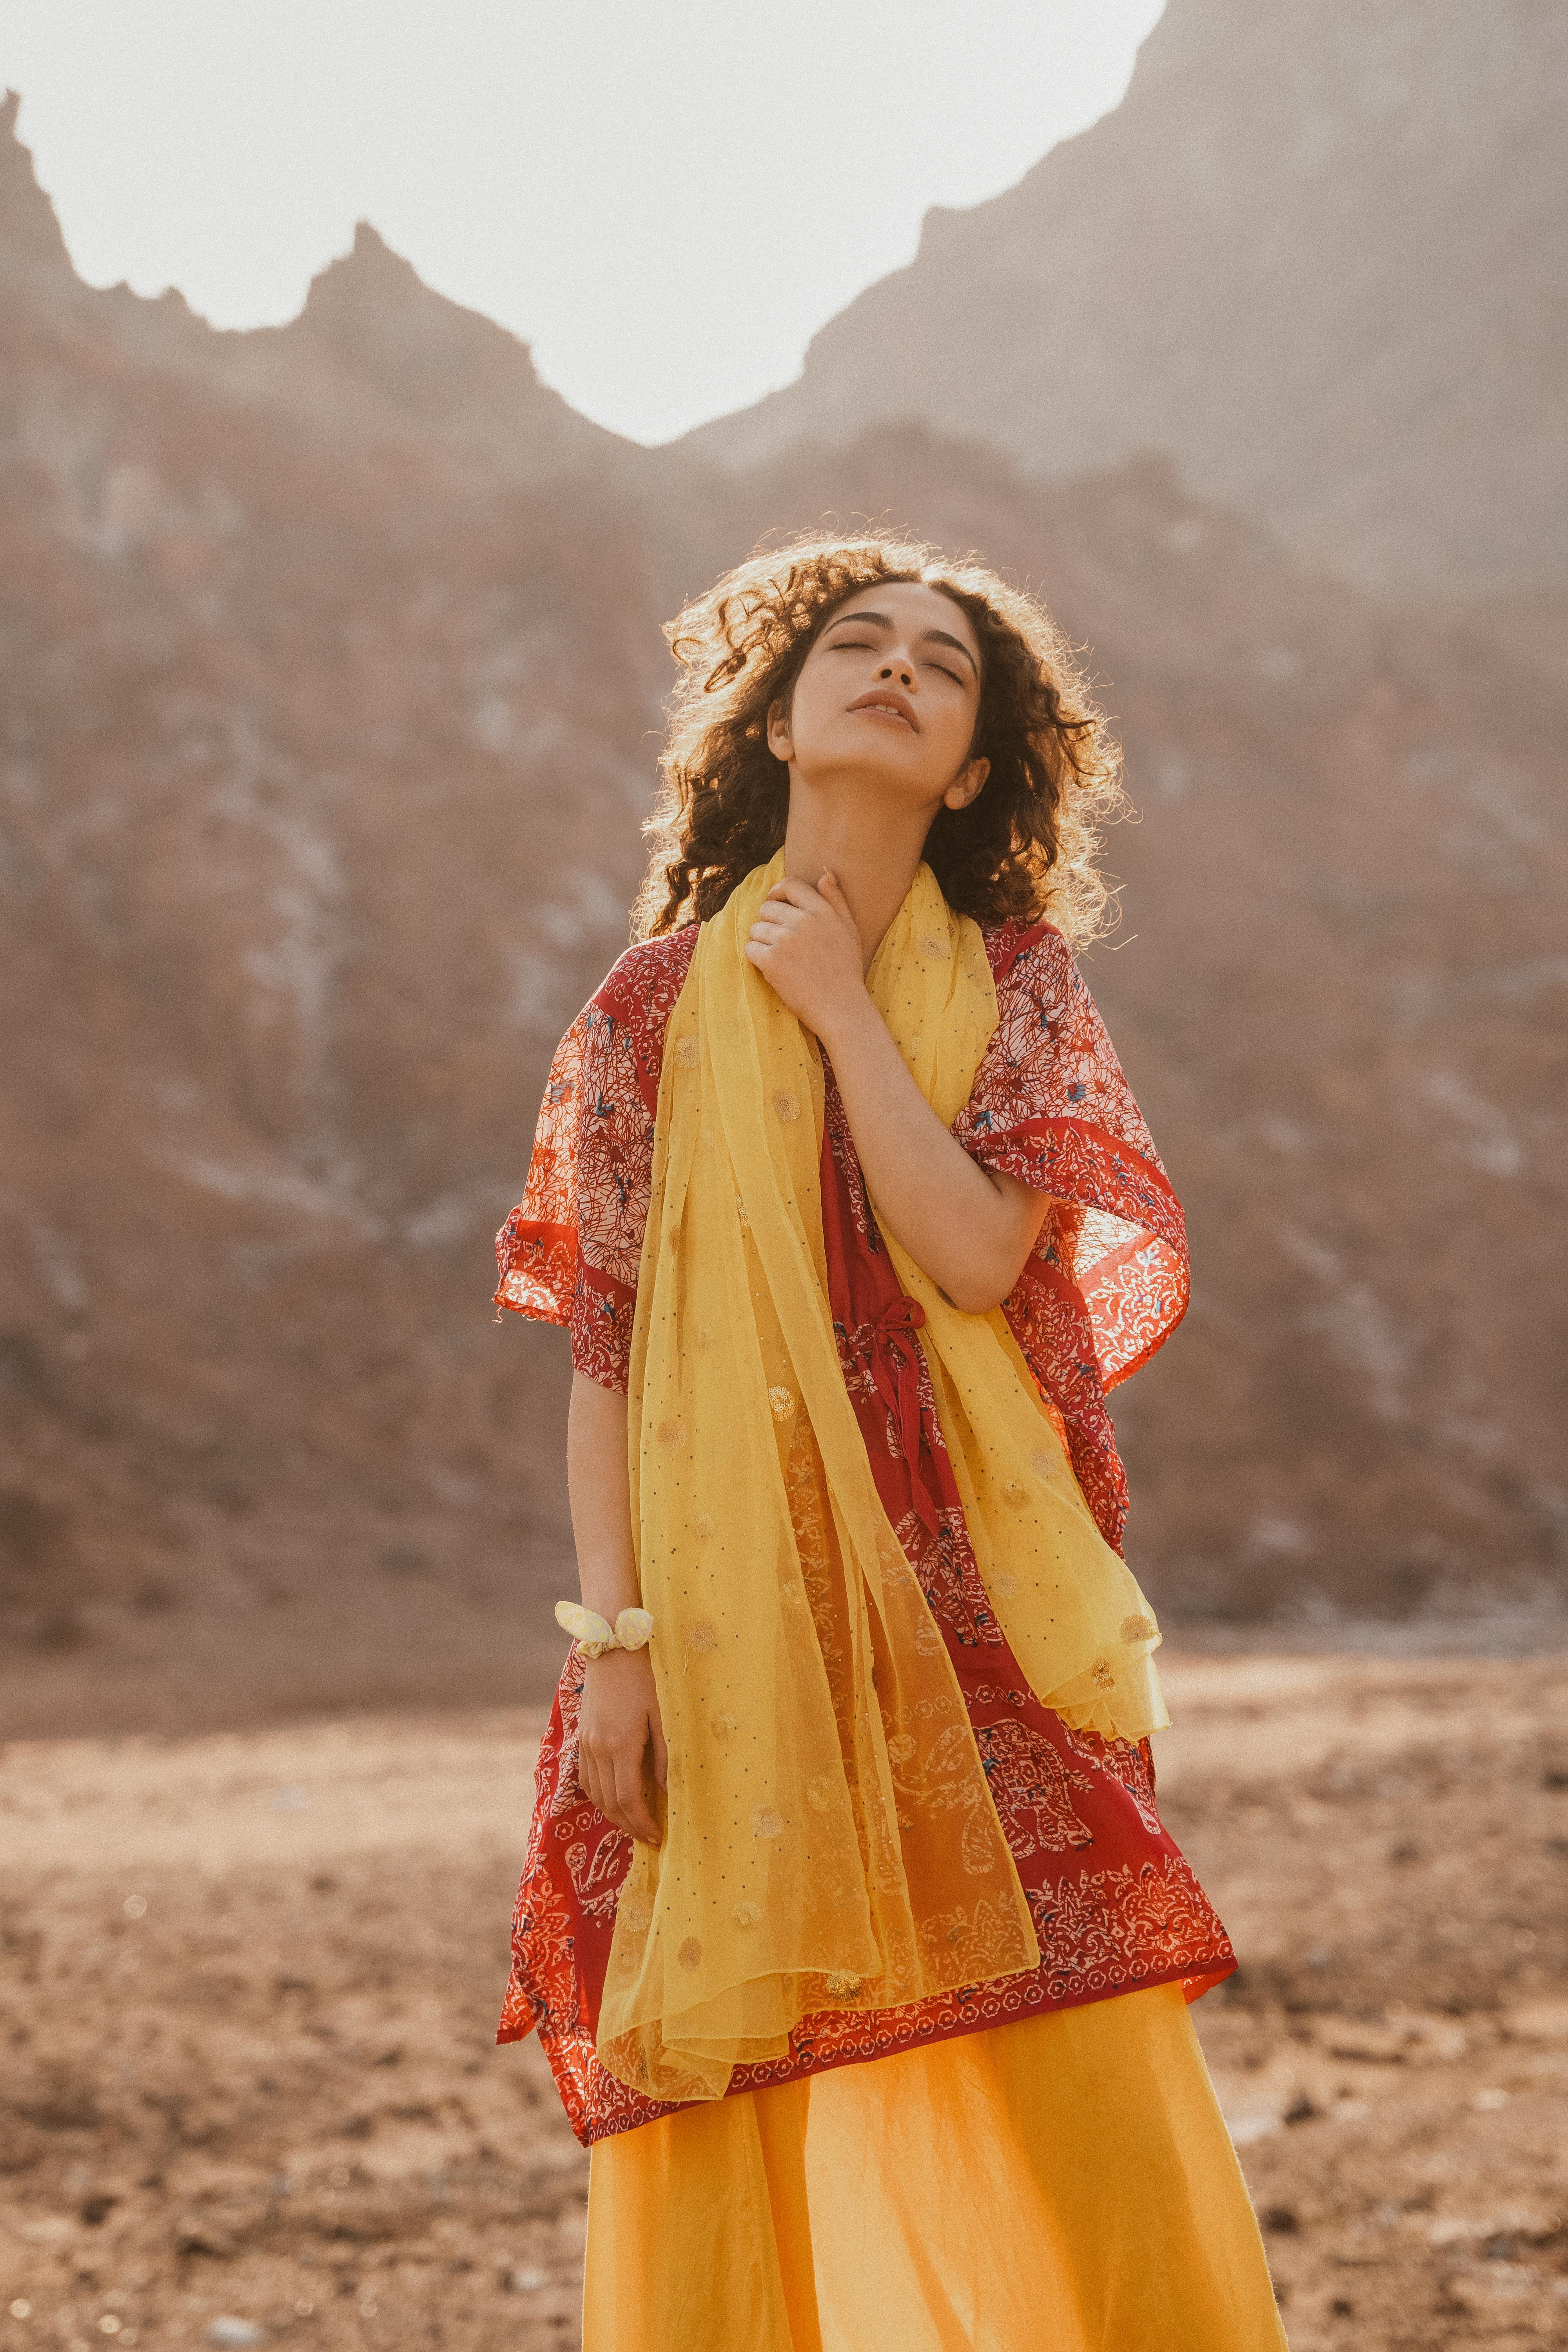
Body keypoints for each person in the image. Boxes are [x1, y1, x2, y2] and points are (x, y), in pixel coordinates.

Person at [493, 534, 1287, 2350]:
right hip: (719, 1618)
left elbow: (975, 1253)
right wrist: (611, 1650)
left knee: (1085, 2049)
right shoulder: (636, 1017)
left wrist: (843, 1009)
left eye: (945, 669)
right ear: (774, 718)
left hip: (981, 1597)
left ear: (979, 766)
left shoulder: (1012, 986)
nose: (899, 672)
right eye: (857, 644)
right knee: (732, 2077)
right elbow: (603, 1357)